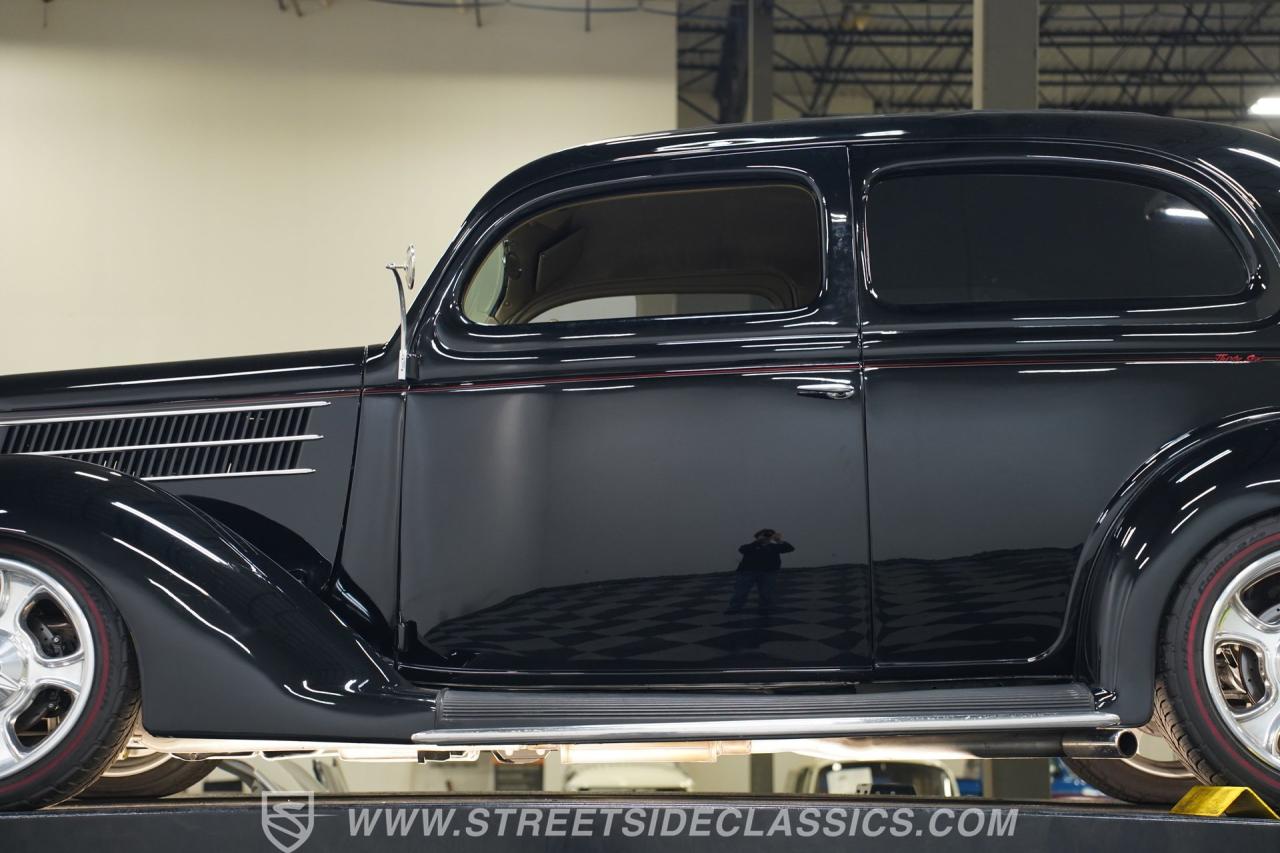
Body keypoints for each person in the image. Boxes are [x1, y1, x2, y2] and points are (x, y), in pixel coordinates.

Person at [726, 528, 794, 614]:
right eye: (765, 534)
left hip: (769, 572)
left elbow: (790, 548)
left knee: (767, 592)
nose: (767, 536)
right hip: (748, 572)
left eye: (769, 535)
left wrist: (778, 540)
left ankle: (765, 608)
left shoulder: (774, 547)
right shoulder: (751, 546)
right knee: (741, 591)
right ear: (758, 536)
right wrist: (758, 541)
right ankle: (734, 608)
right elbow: (742, 550)